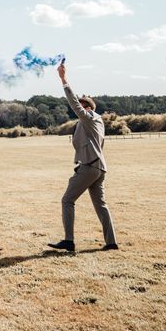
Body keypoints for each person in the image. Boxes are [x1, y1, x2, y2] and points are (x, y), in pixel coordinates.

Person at [48, 63, 118, 252]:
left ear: (88, 107)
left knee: (67, 200)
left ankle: (69, 241)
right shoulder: (97, 122)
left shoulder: (90, 117)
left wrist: (63, 79)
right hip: (99, 168)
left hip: (89, 166)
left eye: (82, 105)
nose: (79, 108)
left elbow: (75, 104)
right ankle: (111, 243)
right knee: (101, 205)